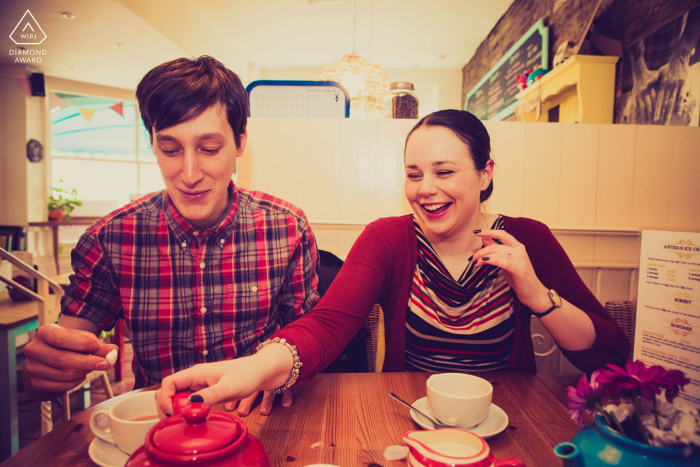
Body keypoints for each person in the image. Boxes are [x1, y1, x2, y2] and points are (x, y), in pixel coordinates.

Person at [155, 109, 629, 416]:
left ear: (485, 174)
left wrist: (538, 297)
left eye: (445, 172)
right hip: (409, 417)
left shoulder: (528, 239)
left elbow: (608, 354)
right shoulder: (388, 239)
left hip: (507, 426)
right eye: (414, 174)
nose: (426, 188)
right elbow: (328, 323)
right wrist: (257, 366)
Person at [23, 56, 320, 416]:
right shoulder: (111, 239)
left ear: (240, 141)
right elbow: (64, 349)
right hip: (156, 422)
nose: (189, 173)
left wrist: (280, 375)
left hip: (256, 416)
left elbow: (307, 337)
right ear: (152, 143)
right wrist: (49, 368)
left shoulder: (287, 228)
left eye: (209, 149)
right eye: (170, 149)